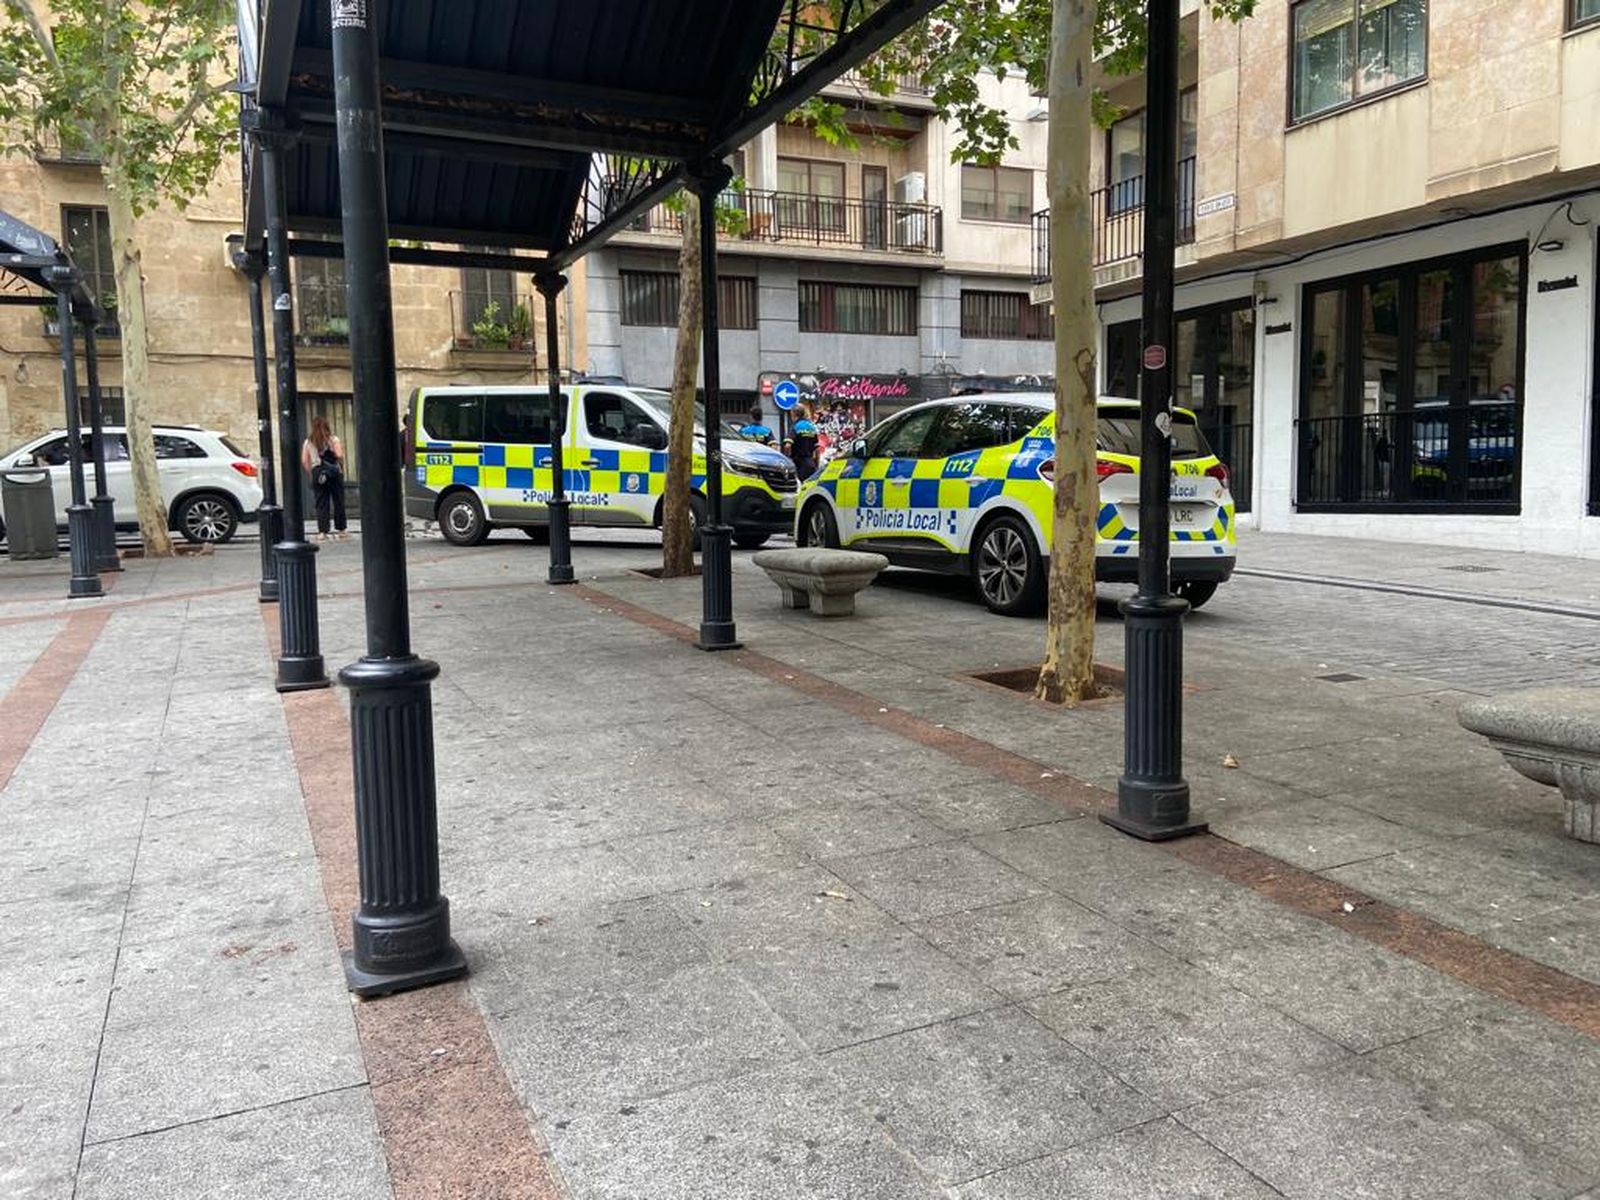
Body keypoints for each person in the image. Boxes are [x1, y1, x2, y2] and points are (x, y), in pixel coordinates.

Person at [302, 414, 348, 540]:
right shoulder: (333, 440)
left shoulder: (308, 442)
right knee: (338, 500)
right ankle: (342, 530)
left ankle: (322, 531)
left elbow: (305, 461)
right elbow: (339, 455)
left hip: (318, 471)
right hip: (334, 472)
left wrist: (312, 473)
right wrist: (340, 467)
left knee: (321, 502)